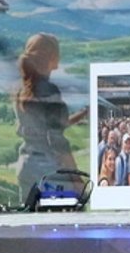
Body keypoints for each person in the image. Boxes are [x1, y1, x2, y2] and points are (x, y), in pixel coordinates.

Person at [13, 33, 87, 204]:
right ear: (50, 57)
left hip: (26, 166)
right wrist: (76, 178)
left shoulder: (22, 90)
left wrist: (81, 115)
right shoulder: (49, 91)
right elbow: (56, 139)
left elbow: (45, 127)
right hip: (49, 171)